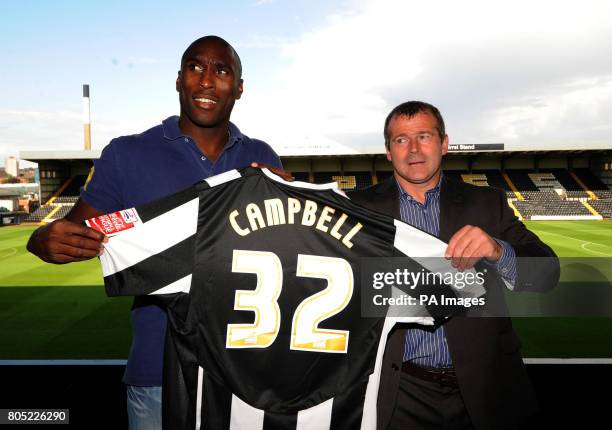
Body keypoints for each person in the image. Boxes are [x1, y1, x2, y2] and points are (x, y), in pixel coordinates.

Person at [27, 35, 287, 430]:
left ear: (238, 88)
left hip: (245, 376)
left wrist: (289, 202)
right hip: (159, 377)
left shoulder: (262, 157)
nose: (206, 80)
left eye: (221, 70)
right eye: (195, 67)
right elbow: (72, 230)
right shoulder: (128, 155)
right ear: (179, 80)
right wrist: (42, 241)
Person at [349, 101, 560, 430]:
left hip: (485, 390)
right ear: (388, 151)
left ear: (444, 143)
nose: (414, 149)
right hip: (395, 393)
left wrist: (497, 250)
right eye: (401, 140)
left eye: (424, 136)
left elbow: (548, 273)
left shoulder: (487, 203)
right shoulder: (357, 209)